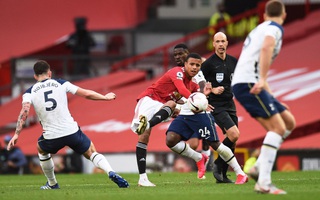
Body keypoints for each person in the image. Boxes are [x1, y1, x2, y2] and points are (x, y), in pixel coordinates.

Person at [6, 60, 129, 189]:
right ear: (49, 73)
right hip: (71, 131)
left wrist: (16, 134)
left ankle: (52, 183)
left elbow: (24, 111)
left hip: (51, 136)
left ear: (35, 76)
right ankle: (110, 171)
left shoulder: (29, 92)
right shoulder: (61, 83)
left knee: (41, 150)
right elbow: (86, 94)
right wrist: (105, 97)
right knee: (91, 151)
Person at [231, 0, 296, 194]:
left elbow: (255, 59)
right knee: (278, 128)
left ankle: (259, 166)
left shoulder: (260, 28)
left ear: (265, 15)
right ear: (283, 15)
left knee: (288, 121)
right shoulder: (274, 29)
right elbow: (266, 48)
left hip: (250, 82)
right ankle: (264, 183)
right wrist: (262, 79)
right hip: (249, 83)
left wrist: (271, 95)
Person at [131, 53, 211, 186]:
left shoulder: (194, 86)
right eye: (191, 64)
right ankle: (143, 178)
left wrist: (203, 97)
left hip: (165, 105)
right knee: (144, 136)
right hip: (150, 99)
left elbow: (194, 103)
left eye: (198, 65)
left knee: (173, 106)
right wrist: (198, 99)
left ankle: (148, 124)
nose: (194, 67)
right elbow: (183, 91)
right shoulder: (177, 72)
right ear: (185, 65)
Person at [165, 92, 248, 184]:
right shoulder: (177, 78)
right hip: (184, 113)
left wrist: (206, 95)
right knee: (170, 140)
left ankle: (240, 173)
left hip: (201, 113)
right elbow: (178, 93)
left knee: (215, 145)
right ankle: (199, 157)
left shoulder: (199, 78)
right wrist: (177, 105)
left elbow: (203, 87)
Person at [201, 32, 240, 183]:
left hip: (230, 103)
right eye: (218, 41)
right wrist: (210, 92)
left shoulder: (233, 62)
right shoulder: (209, 64)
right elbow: (199, 83)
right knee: (234, 134)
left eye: (223, 41)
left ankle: (222, 175)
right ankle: (217, 164)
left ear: (227, 43)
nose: (221, 44)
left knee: (233, 140)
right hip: (216, 105)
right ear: (214, 44)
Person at [173, 44, 211, 167]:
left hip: (198, 102)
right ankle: (193, 163)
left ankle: (205, 164)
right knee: (192, 144)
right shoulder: (176, 72)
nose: (177, 57)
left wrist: (200, 97)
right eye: (175, 55)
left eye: (180, 54)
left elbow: (201, 83)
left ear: (187, 53)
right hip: (187, 106)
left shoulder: (196, 65)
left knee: (207, 137)